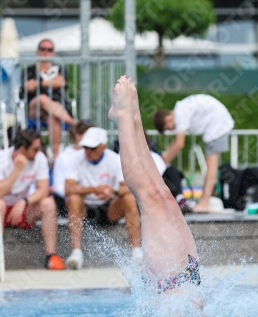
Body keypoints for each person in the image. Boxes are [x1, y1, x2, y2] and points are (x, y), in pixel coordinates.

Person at [108, 76, 200, 294]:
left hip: (171, 291)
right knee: (165, 197)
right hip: (189, 282)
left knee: (151, 197)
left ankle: (123, 119)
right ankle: (135, 119)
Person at [65, 127, 142, 270]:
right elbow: (67, 189)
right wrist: (94, 190)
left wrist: (113, 191)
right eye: (86, 147)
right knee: (74, 199)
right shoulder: (75, 158)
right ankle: (76, 252)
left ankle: (136, 251)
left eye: (92, 148)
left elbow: (129, 187)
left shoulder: (114, 159)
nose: (88, 151)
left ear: (103, 146)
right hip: (85, 208)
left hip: (109, 207)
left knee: (129, 198)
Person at [153, 94, 234, 213]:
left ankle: (204, 203)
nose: (172, 129)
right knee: (211, 163)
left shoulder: (180, 114)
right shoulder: (181, 108)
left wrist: (162, 162)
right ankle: (205, 200)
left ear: (167, 119)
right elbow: (176, 143)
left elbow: (179, 143)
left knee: (212, 163)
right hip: (217, 120)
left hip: (218, 124)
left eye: (168, 128)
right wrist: (164, 157)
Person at [0, 129, 66, 270]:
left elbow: (43, 189)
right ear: (22, 149)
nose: (39, 151)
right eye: (35, 149)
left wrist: (24, 201)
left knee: (48, 203)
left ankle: (51, 257)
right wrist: (17, 169)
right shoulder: (2, 159)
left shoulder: (39, 158)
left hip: (22, 209)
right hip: (2, 209)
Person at [21, 39, 75, 160]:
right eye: (43, 49)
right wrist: (50, 82)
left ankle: (55, 158)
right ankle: (75, 125)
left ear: (53, 53)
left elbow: (61, 83)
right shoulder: (28, 70)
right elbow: (28, 87)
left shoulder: (60, 69)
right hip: (34, 110)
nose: (46, 52)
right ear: (37, 51)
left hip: (56, 112)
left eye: (49, 50)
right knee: (42, 98)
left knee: (52, 117)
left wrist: (38, 83)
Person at [53, 120, 94, 216]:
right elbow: (59, 187)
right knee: (75, 199)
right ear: (77, 135)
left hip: (95, 200)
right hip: (71, 199)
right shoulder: (64, 157)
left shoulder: (100, 154)